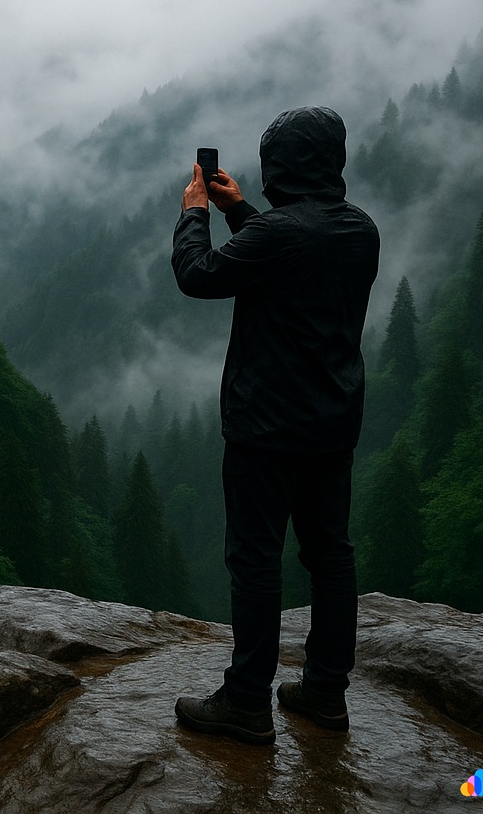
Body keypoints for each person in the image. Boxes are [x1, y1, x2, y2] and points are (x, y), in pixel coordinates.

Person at [169, 105, 380, 745]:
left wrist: (196, 213)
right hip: (332, 423)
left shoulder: (280, 236)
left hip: (265, 428)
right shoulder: (359, 230)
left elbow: (198, 275)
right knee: (330, 555)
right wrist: (242, 213)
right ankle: (323, 692)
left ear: (280, 165)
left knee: (257, 559)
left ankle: (246, 702)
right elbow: (293, 260)